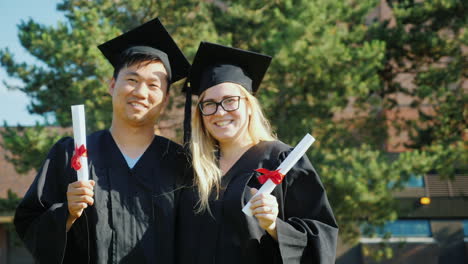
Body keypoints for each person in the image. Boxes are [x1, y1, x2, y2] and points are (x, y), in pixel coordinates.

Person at [14, 18, 190, 264]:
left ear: (166, 98)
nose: (141, 92)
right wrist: (67, 212)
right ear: (111, 85)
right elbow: (29, 224)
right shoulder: (72, 154)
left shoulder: (182, 164)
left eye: (153, 85)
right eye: (132, 80)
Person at [177, 42, 338, 264]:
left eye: (230, 101)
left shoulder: (283, 161)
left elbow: (321, 238)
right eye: (209, 104)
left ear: (249, 106)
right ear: (201, 114)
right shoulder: (192, 167)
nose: (220, 111)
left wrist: (274, 226)